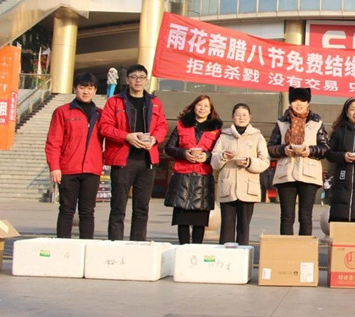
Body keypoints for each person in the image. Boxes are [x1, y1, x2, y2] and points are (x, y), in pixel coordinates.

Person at [100, 64, 168, 241]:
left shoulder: (155, 102)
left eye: (142, 77)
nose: (138, 80)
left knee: (142, 208)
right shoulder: (114, 102)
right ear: (127, 79)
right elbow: (104, 127)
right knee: (118, 207)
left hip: (146, 160)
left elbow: (162, 126)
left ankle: (138, 244)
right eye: (134, 77)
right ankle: (115, 243)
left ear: (146, 80)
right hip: (123, 159)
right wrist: (126, 136)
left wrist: (154, 139)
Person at [44, 72, 104, 239]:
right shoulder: (62, 112)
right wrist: (54, 167)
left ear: (95, 91)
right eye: (82, 87)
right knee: (66, 210)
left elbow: (112, 136)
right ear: (74, 89)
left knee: (87, 212)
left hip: (92, 170)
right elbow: (53, 141)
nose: (86, 92)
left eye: (90, 88)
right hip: (68, 169)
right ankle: (63, 247)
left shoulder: (101, 114)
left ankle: (86, 246)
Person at [267, 87, 330, 235]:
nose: (299, 104)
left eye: (303, 100)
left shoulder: (316, 122)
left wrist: (310, 151)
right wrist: (284, 150)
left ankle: (304, 248)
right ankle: (286, 248)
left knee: (305, 217)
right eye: (295, 100)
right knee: (287, 217)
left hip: (309, 174)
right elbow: (270, 148)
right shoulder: (281, 123)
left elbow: (326, 148)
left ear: (308, 102)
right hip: (286, 174)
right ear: (290, 102)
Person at [164, 95, 223, 245]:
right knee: (182, 219)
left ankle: (196, 248)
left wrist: (207, 156)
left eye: (206, 106)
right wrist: (184, 153)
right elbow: (169, 148)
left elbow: (219, 153)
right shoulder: (181, 125)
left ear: (210, 110)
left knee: (199, 220)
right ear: (193, 106)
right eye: (199, 105)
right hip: (182, 176)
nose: (202, 108)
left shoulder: (216, 131)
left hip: (203, 177)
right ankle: (183, 247)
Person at [211, 103, 270, 245]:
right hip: (228, 186)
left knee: (244, 226)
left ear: (250, 117)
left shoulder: (257, 136)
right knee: (227, 227)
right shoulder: (224, 136)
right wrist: (223, 156)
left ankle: (243, 254)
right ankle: (225, 255)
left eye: (244, 115)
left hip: (248, 187)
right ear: (232, 117)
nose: (241, 118)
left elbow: (265, 161)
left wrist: (249, 162)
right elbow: (214, 162)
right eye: (238, 115)